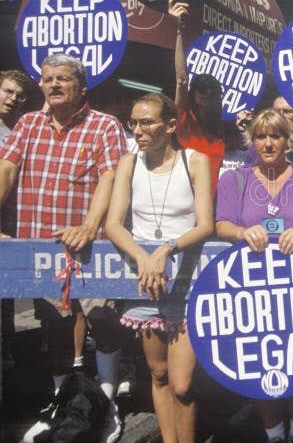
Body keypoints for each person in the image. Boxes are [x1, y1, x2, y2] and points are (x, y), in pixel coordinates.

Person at [0, 54, 127, 443]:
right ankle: (61, 404)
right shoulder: (27, 124)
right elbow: (6, 169)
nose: (53, 84)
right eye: (48, 79)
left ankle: (107, 402)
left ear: (82, 87)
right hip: (41, 247)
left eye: (63, 79)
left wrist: (90, 226)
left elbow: (110, 179)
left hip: (93, 247)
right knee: (54, 327)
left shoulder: (104, 125)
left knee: (102, 323)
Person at [215, 109, 293, 443]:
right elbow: (221, 224)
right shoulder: (235, 179)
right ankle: (273, 434)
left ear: (288, 140)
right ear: (252, 141)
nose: (268, 143)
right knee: (262, 364)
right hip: (253, 288)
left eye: (275, 135)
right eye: (261, 136)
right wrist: (243, 233)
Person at [105, 93, 213, 443]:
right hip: (146, 281)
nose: (138, 130)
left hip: (186, 281)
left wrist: (166, 249)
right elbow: (114, 224)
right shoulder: (128, 163)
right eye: (133, 122)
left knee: (182, 384)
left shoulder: (194, 161)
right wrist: (142, 257)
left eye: (147, 122)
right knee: (159, 374)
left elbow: (206, 225)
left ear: (170, 125)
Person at [0, 69, 36, 371]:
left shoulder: (24, 129)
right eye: (8, 91)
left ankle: (6, 348)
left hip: (15, 221)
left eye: (19, 96)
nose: (12, 99)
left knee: (7, 289)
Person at [169, 0, 225, 188]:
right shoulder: (184, 120)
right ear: (195, 97)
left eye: (215, 95)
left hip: (215, 208)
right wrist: (179, 33)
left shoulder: (224, 132)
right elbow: (182, 79)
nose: (211, 99)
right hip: (185, 204)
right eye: (204, 94)